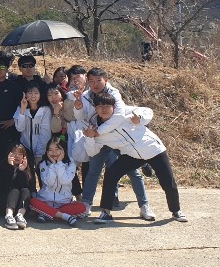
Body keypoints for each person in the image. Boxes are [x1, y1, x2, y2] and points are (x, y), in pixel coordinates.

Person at [85, 94, 188, 223]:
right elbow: (92, 151)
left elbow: (148, 111)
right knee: (111, 174)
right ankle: (106, 213)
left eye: (107, 106)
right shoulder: (95, 129)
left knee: (168, 180)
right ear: (95, 109)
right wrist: (89, 138)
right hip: (132, 155)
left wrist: (140, 118)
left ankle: (176, 211)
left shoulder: (125, 113)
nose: (104, 109)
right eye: (100, 106)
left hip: (153, 149)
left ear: (114, 107)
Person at [74, 67, 150, 218]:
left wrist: (98, 131)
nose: (95, 84)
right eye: (91, 81)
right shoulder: (86, 95)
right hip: (99, 139)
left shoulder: (114, 93)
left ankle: (144, 205)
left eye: (98, 81)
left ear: (106, 80)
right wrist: (78, 107)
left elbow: (119, 116)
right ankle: (86, 204)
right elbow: (81, 117)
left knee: (132, 171)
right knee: (93, 170)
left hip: (117, 138)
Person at [29, 137, 87, 226]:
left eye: (57, 149)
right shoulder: (43, 164)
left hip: (64, 203)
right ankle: (64, 216)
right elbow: (50, 182)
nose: (54, 153)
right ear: (47, 151)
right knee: (32, 202)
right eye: (50, 150)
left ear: (63, 150)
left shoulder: (71, 164)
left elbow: (64, 181)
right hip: (45, 201)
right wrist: (53, 165)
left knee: (82, 208)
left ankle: (46, 214)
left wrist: (59, 163)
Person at [0, 143, 36, 230]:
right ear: (9, 154)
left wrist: (22, 171)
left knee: (25, 190)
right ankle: (9, 216)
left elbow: (26, 187)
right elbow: (0, 186)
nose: (17, 156)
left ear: (24, 157)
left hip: (18, 206)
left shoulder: (26, 168)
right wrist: (11, 168)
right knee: (14, 191)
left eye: (20, 154)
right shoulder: (1, 165)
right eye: (14, 153)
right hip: (3, 202)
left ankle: (20, 216)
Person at [12, 85, 59, 168]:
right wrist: (22, 110)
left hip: (42, 151)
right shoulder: (20, 108)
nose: (33, 96)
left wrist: (39, 154)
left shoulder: (45, 110)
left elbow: (45, 134)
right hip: (25, 148)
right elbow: (19, 128)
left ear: (40, 94)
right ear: (25, 94)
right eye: (30, 93)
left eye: (36, 93)